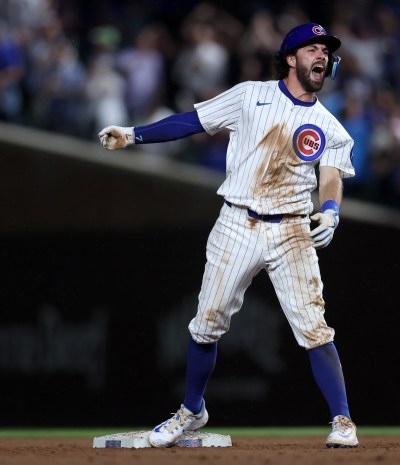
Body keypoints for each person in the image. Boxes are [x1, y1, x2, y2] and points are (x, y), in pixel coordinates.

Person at [98, 23, 358, 449]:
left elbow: (330, 178)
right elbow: (193, 121)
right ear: (291, 58)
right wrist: (133, 134)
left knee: (315, 328)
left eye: (325, 51)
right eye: (312, 48)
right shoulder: (249, 95)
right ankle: (191, 410)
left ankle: (343, 420)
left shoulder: (330, 126)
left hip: (291, 229)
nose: (321, 56)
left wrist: (330, 211)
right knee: (207, 324)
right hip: (237, 221)